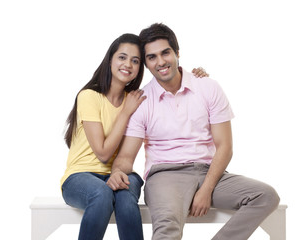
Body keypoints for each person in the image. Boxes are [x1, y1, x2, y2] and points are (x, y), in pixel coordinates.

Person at [107, 23, 280, 240]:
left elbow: (225, 146)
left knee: (265, 196)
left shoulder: (207, 87)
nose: (160, 62)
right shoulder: (141, 101)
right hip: (164, 176)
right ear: (146, 64)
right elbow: (125, 157)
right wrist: (117, 172)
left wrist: (206, 189)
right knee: (167, 227)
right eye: (152, 57)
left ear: (177, 53)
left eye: (165, 53)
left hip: (210, 173)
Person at [60, 33, 208, 240]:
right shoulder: (89, 96)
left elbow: (171, 96)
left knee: (126, 196)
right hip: (80, 177)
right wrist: (126, 112)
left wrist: (196, 77)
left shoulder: (138, 99)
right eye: (122, 57)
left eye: (135, 60)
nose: (128, 64)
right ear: (110, 59)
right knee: (102, 194)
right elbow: (103, 154)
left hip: (120, 172)